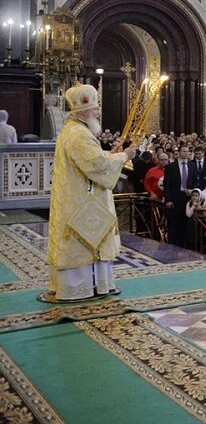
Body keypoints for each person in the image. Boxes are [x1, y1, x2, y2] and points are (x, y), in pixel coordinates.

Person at [45, 84, 134, 301]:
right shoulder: (79, 134)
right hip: (83, 202)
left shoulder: (73, 130)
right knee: (85, 241)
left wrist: (108, 153)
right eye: (95, 109)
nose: (97, 112)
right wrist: (124, 156)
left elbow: (92, 157)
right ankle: (82, 288)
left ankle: (87, 286)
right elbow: (95, 164)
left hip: (79, 198)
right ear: (84, 112)